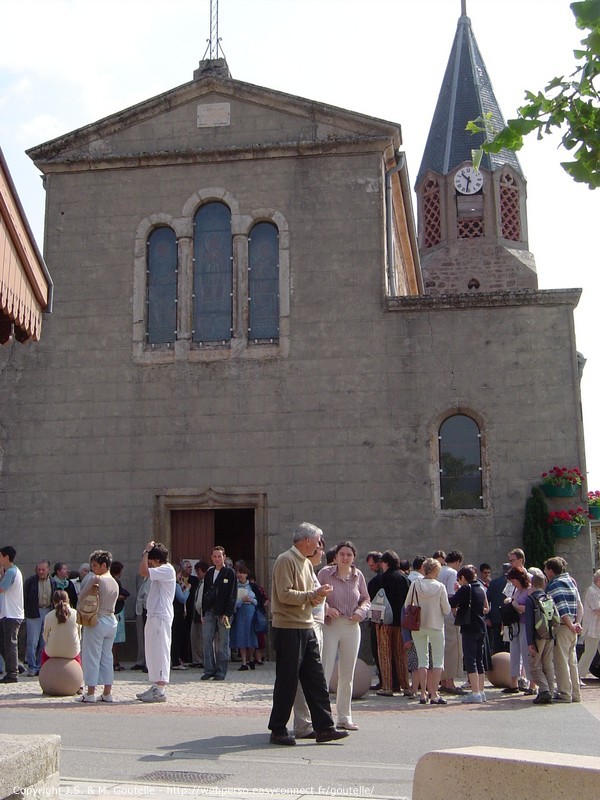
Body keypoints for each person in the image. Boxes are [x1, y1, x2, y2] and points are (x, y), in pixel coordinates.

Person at [268, 522, 349, 745]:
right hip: (289, 627)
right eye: (317, 540)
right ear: (307, 541)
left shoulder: (304, 562)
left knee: (315, 680)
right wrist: (313, 594)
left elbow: (304, 595)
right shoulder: (286, 560)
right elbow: (284, 595)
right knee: (287, 681)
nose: (319, 544)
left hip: (305, 626)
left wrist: (318, 595)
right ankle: (278, 729)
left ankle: (325, 727)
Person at [319, 541, 370, 729]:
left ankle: (344, 716)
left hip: (351, 625)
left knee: (347, 673)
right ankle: (322, 717)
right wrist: (326, 608)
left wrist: (361, 612)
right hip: (331, 625)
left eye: (349, 554)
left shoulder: (358, 576)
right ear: (336, 556)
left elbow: (366, 598)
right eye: (342, 554)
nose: (345, 557)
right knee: (324, 670)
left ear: (353, 557)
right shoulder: (325, 573)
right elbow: (315, 597)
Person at [405, 557, 450, 705]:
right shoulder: (440, 587)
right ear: (436, 570)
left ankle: (422, 693)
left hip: (418, 625)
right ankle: (434, 693)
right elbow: (447, 609)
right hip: (436, 625)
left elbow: (407, 605)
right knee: (437, 661)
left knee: (422, 660)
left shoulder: (415, 584)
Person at [293, 535, 326, 739]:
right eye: (319, 548)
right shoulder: (302, 568)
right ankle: (303, 724)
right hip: (308, 625)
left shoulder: (311, 571)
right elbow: (302, 598)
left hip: (316, 625)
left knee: (312, 677)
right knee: (305, 677)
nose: (321, 552)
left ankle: (308, 722)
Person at [136, 541, 176, 703]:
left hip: (161, 615)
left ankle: (160, 689)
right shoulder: (161, 570)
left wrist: (146, 552)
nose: (150, 563)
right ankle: (155, 685)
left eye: (152, 560)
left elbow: (143, 571)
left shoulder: (167, 569)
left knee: (160, 650)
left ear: (157, 560)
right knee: (152, 651)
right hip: (154, 615)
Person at [77, 550, 119, 703]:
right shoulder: (114, 581)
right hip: (112, 619)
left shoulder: (96, 579)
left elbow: (81, 595)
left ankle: (90, 693)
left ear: (103, 565)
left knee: (91, 656)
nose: (93, 568)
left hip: (97, 619)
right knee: (107, 656)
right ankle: (107, 693)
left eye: (95, 565)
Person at [544, 557, 582, 703]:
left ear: (551, 571)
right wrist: (577, 623)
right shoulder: (571, 581)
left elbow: (561, 608)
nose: (546, 573)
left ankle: (565, 693)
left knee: (561, 662)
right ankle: (576, 694)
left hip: (562, 626)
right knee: (572, 662)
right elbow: (579, 606)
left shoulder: (555, 585)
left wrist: (570, 624)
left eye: (546, 570)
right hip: (573, 626)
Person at [374, 549, 411, 698]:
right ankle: (405, 686)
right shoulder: (405, 580)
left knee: (385, 654)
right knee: (401, 655)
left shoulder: (380, 579)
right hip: (401, 623)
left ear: (385, 563)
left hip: (384, 623)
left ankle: (387, 686)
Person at [449, 565, 489, 703]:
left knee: (470, 660)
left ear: (463, 578)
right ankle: (482, 691)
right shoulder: (480, 588)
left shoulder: (466, 588)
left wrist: (455, 592)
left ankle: (475, 692)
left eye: (459, 579)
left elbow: (453, 601)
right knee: (479, 660)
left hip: (469, 627)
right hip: (481, 626)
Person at [201, 546, 237, 681]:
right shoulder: (209, 573)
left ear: (224, 557)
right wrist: (203, 613)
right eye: (215, 556)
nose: (217, 559)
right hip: (210, 611)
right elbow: (205, 593)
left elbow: (232, 595)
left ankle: (221, 671)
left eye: (219, 556)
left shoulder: (230, 573)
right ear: (211, 558)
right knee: (207, 641)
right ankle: (209, 670)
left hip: (223, 613)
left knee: (222, 643)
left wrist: (227, 613)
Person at [524, 568, 556, 705]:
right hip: (549, 634)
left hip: (537, 636)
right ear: (544, 584)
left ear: (532, 583)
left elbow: (529, 622)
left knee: (534, 666)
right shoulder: (549, 597)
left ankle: (544, 690)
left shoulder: (531, 599)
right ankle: (552, 691)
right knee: (548, 664)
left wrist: (530, 641)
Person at [502, 566, 534, 695]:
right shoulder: (518, 590)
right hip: (515, 624)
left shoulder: (529, 590)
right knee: (514, 653)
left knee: (526, 653)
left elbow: (529, 609)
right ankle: (513, 683)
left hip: (525, 624)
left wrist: (515, 605)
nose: (512, 583)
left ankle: (532, 684)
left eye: (513, 580)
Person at [439, 550, 464, 695]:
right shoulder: (452, 573)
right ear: (458, 562)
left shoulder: (439, 570)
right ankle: (450, 682)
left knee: (442, 649)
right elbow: (451, 597)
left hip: (438, 615)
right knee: (452, 649)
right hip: (449, 615)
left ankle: (442, 680)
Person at [23, 560, 55, 677]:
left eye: (43, 569)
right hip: (34, 612)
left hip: (47, 611)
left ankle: (40, 665)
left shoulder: (52, 581)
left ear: (48, 570)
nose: (41, 572)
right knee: (32, 641)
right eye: (39, 569)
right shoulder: (30, 582)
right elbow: (25, 597)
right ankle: (32, 667)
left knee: (44, 641)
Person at [0, 545, 24, 684]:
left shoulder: (11, 572)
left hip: (11, 614)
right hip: (9, 613)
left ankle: (12, 673)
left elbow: (2, 588)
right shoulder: (12, 571)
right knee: (5, 643)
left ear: (6, 557)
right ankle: (16, 665)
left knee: (10, 644)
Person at [41, 590, 81, 665]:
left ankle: (44, 673)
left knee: (43, 655)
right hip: (72, 652)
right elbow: (79, 636)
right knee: (78, 657)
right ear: (68, 600)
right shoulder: (76, 614)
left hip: (52, 652)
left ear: (53, 602)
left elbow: (45, 637)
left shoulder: (48, 616)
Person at [231, 564, 258, 670]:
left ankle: (250, 658)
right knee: (241, 636)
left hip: (251, 613)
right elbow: (232, 602)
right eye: (237, 573)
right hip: (240, 613)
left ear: (246, 574)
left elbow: (258, 602)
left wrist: (251, 600)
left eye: (241, 573)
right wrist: (241, 601)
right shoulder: (235, 587)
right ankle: (244, 662)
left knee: (251, 636)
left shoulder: (252, 586)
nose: (239, 575)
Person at [365, 551, 383, 688]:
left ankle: (384, 680)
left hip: (379, 620)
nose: (371, 568)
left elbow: (374, 603)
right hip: (395, 622)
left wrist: (374, 621)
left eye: (372, 565)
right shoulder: (401, 577)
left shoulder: (376, 582)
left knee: (379, 651)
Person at [578, 569, 600, 679]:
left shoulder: (598, 591)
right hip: (592, 629)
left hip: (598, 629)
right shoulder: (592, 591)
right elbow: (598, 609)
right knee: (589, 653)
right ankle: (578, 676)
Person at [486, 563, 511, 654]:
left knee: (497, 642)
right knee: (510, 643)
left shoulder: (493, 583)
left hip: (496, 616)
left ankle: (498, 663)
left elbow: (487, 600)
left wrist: (487, 616)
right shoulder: (513, 582)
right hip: (509, 616)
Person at [110, 561, 129, 671]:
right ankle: (114, 662)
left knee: (115, 641)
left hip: (117, 611)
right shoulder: (115, 581)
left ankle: (115, 662)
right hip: (116, 612)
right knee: (114, 641)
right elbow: (116, 595)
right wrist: (123, 596)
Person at [171, 565, 190, 670]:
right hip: (178, 614)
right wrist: (187, 590)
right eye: (180, 574)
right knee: (176, 639)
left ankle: (175, 659)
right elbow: (182, 599)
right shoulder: (175, 585)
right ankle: (175, 661)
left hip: (174, 614)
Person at [190, 561, 208, 668]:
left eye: (199, 572)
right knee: (195, 637)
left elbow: (200, 601)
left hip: (201, 613)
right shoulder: (199, 583)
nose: (198, 574)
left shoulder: (206, 583)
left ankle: (202, 659)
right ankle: (197, 660)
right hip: (196, 614)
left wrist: (200, 611)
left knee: (202, 638)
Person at [131, 574, 149, 672]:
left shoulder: (154, 575)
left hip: (148, 610)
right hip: (140, 609)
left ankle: (148, 662)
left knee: (149, 638)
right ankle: (141, 660)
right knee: (141, 637)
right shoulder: (139, 576)